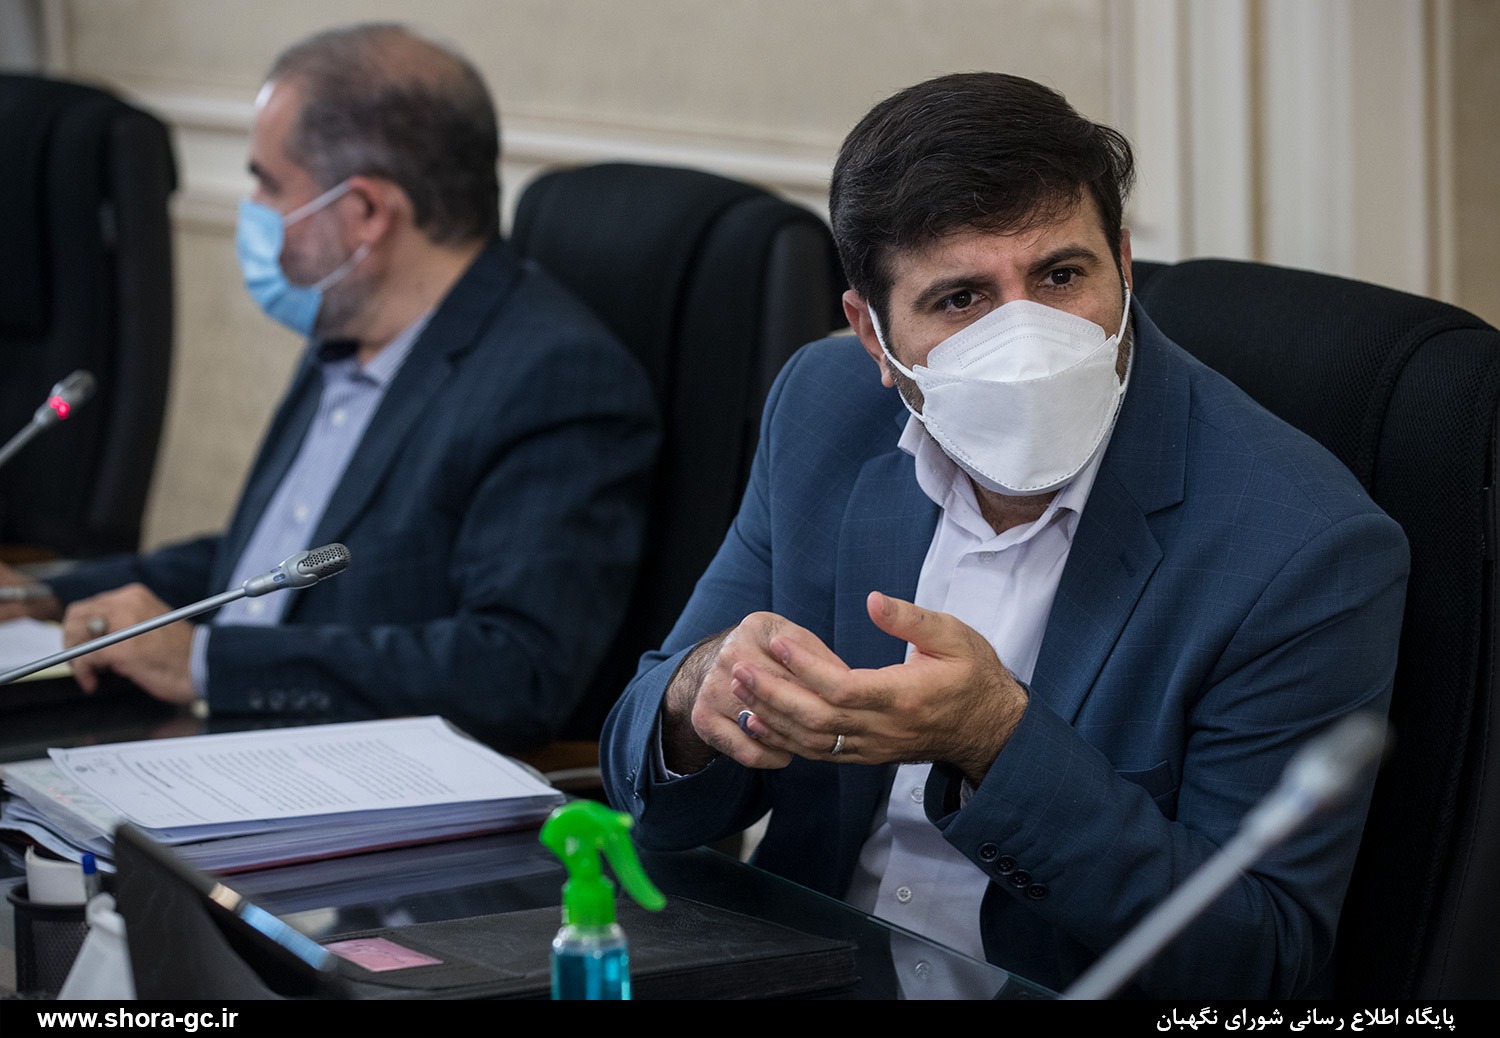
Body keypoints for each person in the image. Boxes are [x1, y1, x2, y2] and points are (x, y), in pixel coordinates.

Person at [599, 72, 1409, 998]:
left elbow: (1257, 958)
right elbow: (646, 781)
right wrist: (697, 697)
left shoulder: (1304, 546)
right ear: (872, 335)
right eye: (961, 299)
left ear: (1124, 265)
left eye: (1061, 276)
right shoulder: (825, 408)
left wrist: (994, 739)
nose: (1026, 341)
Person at [0, 24, 659, 753]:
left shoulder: (555, 378)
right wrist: (43, 594)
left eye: (269, 183)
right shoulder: (347, 325)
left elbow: (515, 669)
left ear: (366, 214)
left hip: (349, 772)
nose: (252, 208)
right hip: (213, 738)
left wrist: (204, 661)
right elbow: (259, 564)